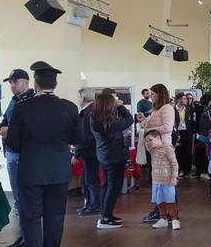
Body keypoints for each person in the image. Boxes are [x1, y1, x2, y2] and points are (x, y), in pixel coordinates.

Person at [5, 61, 82, 247]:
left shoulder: (23, 107)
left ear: (35, 84)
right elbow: (77, 137)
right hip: (59, 170)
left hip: (30, 170)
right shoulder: (69, 108)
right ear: (55, 84)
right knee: (54, 218)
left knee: (30, 219)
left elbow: (13, 143)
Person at [0, 68, 34, 247]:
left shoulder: (31, 101)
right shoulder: (14, 101)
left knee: (26, 199)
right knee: (18, 199)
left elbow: (29, 128)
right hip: (11, 152)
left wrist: (8, 131)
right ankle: (24, 236)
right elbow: (7, 120)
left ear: (25, 81)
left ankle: (30, 240)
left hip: (23, 154)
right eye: (10, 83)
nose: (12, 86)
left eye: (15, 82)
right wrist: (0, 127)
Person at [90, 90, 133, 229]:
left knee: (107, 185)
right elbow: (129, 119)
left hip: (104, 156)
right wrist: (120, 106)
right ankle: (105, 218)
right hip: (114, 157)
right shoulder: (109, 122)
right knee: (113, 188)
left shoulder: (94, 118)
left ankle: (105, 214)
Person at [140, 84, 174, 223]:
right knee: (157, 182)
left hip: (163, 148)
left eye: (153, 94)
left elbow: (167, 127)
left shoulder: (166, 108)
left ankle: (168, 213)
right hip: (155, 149)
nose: (150, 97)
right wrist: (144, 121)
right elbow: (146, 123)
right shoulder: (156, 109)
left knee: (164, 182)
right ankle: (161, 212)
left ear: (160, 95)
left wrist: (149, 130)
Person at [143, 129, 180, 229]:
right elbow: (146, 146)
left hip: (167, 181)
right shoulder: (152, 150)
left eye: (150, 140)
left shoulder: (168, 148)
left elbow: (174, 164)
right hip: (156, 181)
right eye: (147, 141)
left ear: (158, 138)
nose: (148, 143)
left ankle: (174, 219)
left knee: (170, 201)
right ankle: (163, 219)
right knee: (159, 201)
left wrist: (174, 177)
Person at [73, 88, 100, 217]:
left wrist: (77, 153)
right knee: (88, 179)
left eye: (79, 98)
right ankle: (89, 204)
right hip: (93, 151)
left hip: (90, 152)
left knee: (91, 180)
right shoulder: (93, 111)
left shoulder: (88, 114)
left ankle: (94, 205)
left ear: (83, 98)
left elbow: (85, 136)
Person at [193, 92, 211, 179]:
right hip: (205, 133)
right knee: (205, 152)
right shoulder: (207, 111)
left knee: (200, 152)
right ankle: (204, 171)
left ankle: (199, 171)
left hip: (199, 133)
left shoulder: (198, 109)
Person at [174, 93, 195, 177]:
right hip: (177, 132)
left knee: (188, 152)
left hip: (187, 132)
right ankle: (179, 170)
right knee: (178, 152)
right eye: (184, 98)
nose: (186, 100)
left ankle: (187, 171)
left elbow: (192, 121)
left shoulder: (189, 109)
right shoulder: (173, 109)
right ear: (179, 100)